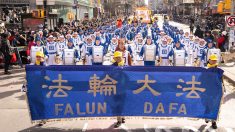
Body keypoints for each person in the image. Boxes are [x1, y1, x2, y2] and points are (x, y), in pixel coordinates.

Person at [111, 51, 125, 128]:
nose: (119, 58)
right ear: (115, 58)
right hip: (116, 88)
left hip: (123, 88)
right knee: (117, 104)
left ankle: (121, 118)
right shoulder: (112, 66)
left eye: (120, 57)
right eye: (117, 57)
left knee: (122, 103)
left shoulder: (124, 65)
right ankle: (119, 120)